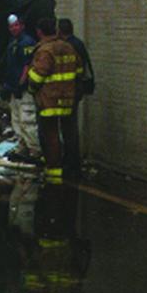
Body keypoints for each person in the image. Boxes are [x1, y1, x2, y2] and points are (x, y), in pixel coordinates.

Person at [27, 18, 83, 185]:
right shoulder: (69, 47)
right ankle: (72, 167)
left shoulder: (45, 51)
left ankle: (54, 172)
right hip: (67, 99)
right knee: (69, 132)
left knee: (50, 134)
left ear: (39, 32)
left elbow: (38, 76)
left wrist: (31, 87)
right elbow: (79, 70)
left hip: (49, 101)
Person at [57, 18, 94, 178]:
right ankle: (72, 160)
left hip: (69, 91)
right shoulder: (78, 44)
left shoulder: (68, 47)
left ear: (60, 31)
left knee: (68, 127)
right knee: (70, 125)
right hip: (76, 90)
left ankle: (71, 162)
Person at [0, 14, 40, 156]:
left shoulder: (27, 42)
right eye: (11, 26)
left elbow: (27, 65)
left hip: (24, 91)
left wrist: (21, 84)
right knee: (16, 119)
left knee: (27, 120)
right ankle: (23, 145)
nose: (13, 28)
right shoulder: (13, 43)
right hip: (14, 90)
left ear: (22, 26)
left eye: (16, 25)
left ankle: (35, 149)